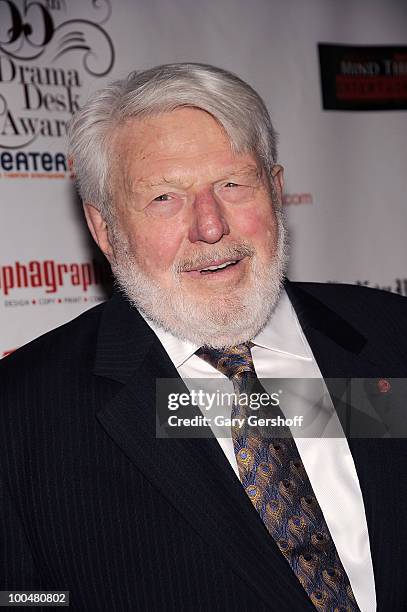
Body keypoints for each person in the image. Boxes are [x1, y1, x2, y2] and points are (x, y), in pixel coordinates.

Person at [1, 63, 407, 612]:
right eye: (164, 198)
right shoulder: (22, 415)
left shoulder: (392, 335)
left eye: (234, 184)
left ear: (278, 190)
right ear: (104, 230)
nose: (211, 226)